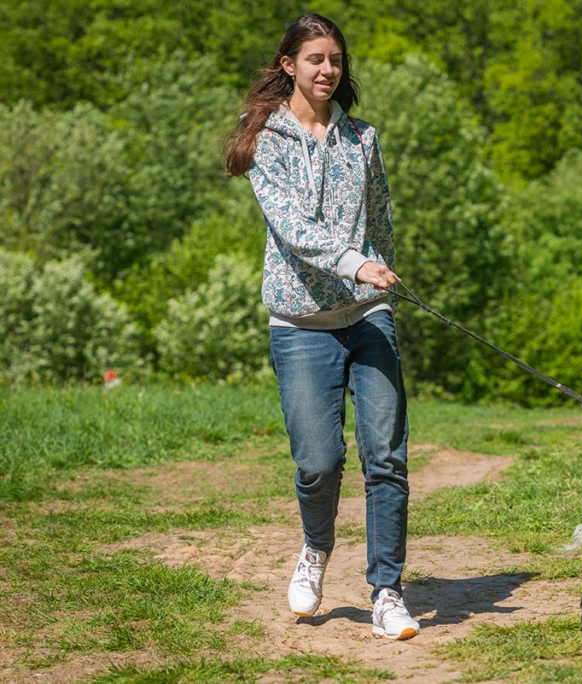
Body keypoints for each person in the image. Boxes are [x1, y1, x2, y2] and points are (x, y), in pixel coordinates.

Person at [223, 13, 419, 640]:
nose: (328, 69)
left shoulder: (363, 140)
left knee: (385, 456)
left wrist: (382, 270)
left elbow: (380, 214)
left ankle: (387, 591)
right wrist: (356, 262)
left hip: (367, 316)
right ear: (289, 66)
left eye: (335, 58)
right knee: (319, 462)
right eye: (315, 59)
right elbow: (294, 231)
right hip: (300, 321)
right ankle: (315, 549)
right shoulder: (269, 143)